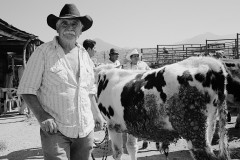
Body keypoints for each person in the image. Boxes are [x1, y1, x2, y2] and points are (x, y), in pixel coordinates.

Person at [17, 4, 104, 160]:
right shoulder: (43, 52)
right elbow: (26, 89)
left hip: (85, 129)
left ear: (81, 30)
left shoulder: (85, 55)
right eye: (64, 23)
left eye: (74, 24)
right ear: (57, 28)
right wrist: (42, 116)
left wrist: (97, 114)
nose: (69, 27)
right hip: (55, 129)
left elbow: (89, 89)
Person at [125, 49, 160, 150]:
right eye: (134, 56)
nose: (136, 57)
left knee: (149, 116)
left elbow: (150, 73)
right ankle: (144, 140)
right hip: (132, 94)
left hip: (144, 92)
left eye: (137, 55)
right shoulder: (127, 67)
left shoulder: (143, 64)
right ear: (131, 58)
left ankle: (155, 141)